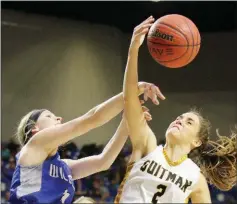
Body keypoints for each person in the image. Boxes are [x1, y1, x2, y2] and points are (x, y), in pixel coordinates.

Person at [115, 16, 237, 203]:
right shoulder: (147, 145)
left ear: (197, 141)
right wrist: (133, 50)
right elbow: (129, 98)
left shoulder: (196, 179)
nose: (179, 120)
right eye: (180, 117)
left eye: (189, 122)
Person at [9, 83, 157, 204]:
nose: (59, 118)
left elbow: (103, 161)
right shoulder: (36, 145)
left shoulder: (64, 166)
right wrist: (132, 92)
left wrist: (126, 123)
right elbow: (92, 118)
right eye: (49, 116)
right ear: (34, 128)